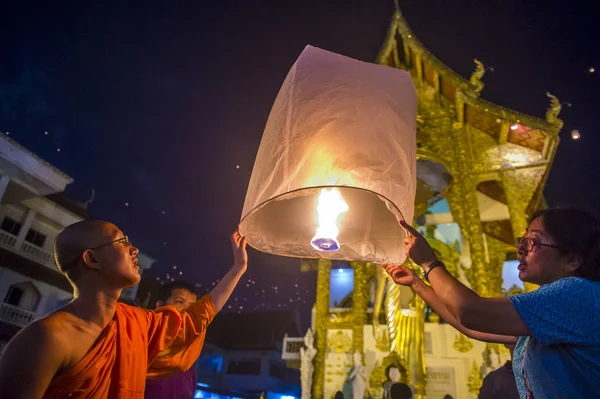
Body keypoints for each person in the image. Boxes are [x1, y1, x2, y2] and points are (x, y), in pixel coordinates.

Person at [0, 220, 248, 398]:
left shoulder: (136, 325)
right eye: (121, 242)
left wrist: (238, 268)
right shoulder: (45, 339)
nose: (134, 249)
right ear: (92, 259)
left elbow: (194, 319)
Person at [383, 208, 600, 398]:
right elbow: (469, 325)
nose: (521, 249)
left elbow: (470, 310)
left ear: (572, 260)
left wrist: (429, 263)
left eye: (532, 242)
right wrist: (417, 284)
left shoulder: (576, 293)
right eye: (522, 241)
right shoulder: (551, 310)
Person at [145, 281, 200, 399]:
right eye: (179, 302)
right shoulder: (140, 347)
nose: (186, 311)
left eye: (192, 307)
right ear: (160, 305)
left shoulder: (187, 365)